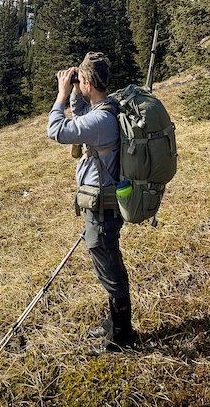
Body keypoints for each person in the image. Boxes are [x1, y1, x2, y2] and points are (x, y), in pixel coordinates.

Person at [46, 51, 137, 352]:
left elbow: (57, 130)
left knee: (109, 266)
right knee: (106, 260)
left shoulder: (100, 121)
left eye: (79, 80)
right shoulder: (106, 108)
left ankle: (122, 335)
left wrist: (60, 95)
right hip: (103, 202)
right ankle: (115, 323)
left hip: (102, 206)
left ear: (86, 81)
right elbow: (82, 110)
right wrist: (75, 90)